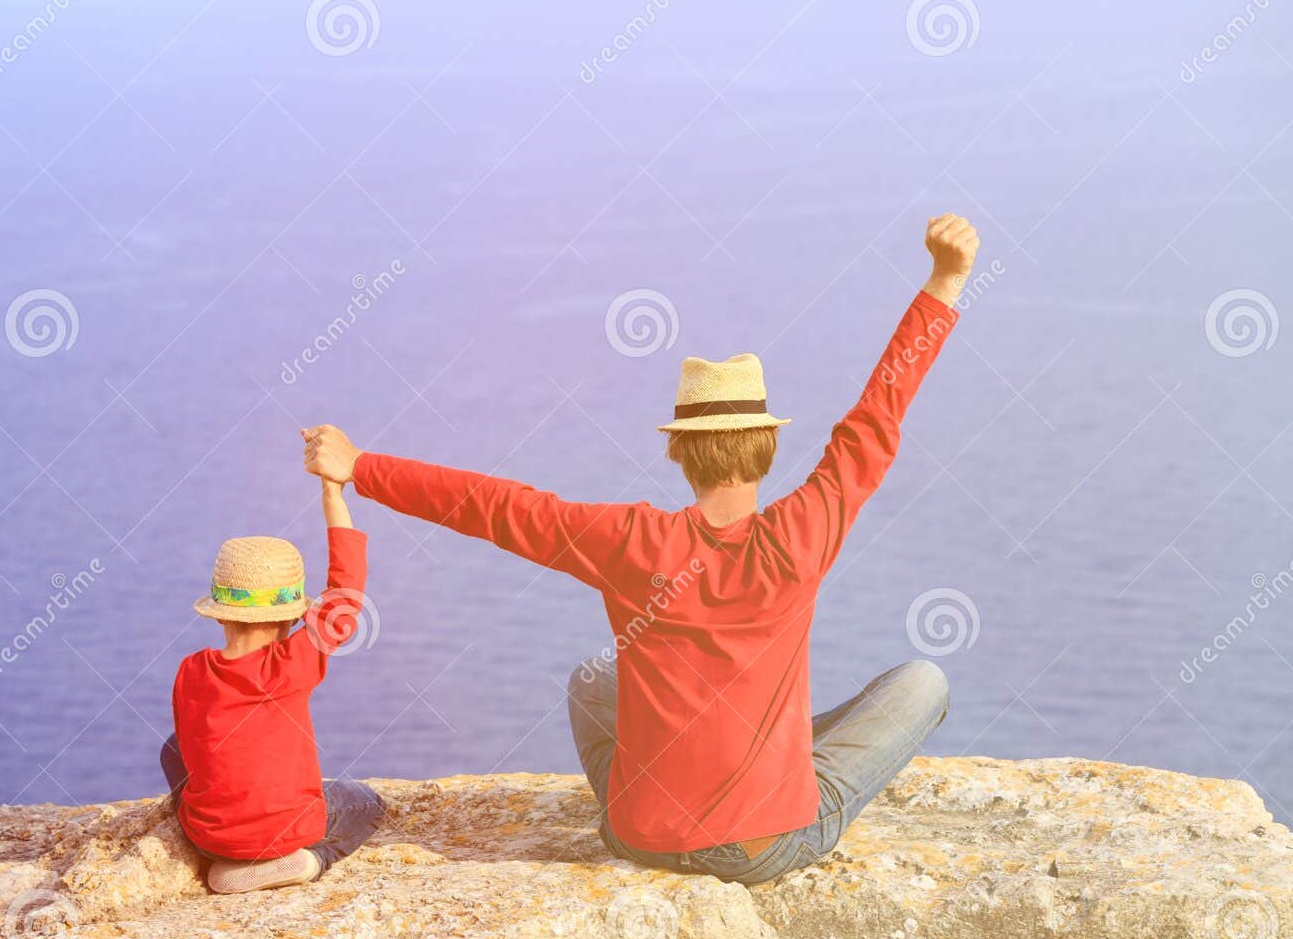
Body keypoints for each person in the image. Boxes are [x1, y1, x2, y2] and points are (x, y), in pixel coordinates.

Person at [302, 215, 978, 885]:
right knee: (924, 682)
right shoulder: (804, 531)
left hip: (639, 835)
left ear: (680, 451)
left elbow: (494, 506)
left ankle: (736, 763)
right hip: (762, 848)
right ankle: (772, 757)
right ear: (768, 448)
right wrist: (945, 280)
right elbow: (876, 418)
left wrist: (362, 465)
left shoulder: (630, 541)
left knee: (593, 677)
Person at [160, 475, 384, 894]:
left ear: (221, 613)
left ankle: (221, 855)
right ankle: (307, 861)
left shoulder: (190, 671)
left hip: (208, 836)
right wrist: (332, 495)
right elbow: (346, 593)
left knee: (174, 746)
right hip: (286, 832)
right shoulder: (291, 664)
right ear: (292, 617)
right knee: (366, 802)